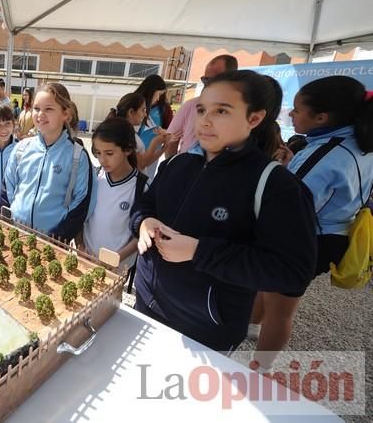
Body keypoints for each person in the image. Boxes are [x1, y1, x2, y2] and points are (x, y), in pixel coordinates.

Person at [133, 70, 317, 353]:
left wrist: (199, 251)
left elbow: (291, 271)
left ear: (254, 118)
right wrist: (145, 222)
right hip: (147, 303)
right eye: (202, 109)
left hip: (205, 327)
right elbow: (145, 205)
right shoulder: (178, 164)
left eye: (222, 111)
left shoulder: (274, 184)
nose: (205, 121)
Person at [250, 76, 373, 369]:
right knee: (268, 287)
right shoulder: (357, 144)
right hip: (333, 233)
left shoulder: (326, 153)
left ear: (321, 117)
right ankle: (250, 327)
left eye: (296, 110)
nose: (291, 115)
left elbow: (290, 206)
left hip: (308, 237)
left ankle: (258, 369)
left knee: (281, 310)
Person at [5, 83, 96, 242]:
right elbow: (7, 187)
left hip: (51, 242)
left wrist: (58, 237)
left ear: (66, 114)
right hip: (15, 233)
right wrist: (11, 220)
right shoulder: (21, 148)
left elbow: (82, 202)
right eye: (36, 108)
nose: (40, 114)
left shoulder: (77, 156)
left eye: (49, 109)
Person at [81, 117, 147, 271]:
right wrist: (80, 246)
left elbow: (142, 235)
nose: (102, 159)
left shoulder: (141, 187)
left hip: (116, 269)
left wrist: (115, 258)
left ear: (128, 149)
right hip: (86, 259)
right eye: (98, 153)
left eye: (109, 153)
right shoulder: (94, 177)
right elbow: (81, 216)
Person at [165, 54, 239, 157]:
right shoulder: (190, 105)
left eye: (214, 80)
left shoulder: (239, 111)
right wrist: (173, 166)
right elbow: (172, 139)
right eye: (205, 79)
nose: (208, 84)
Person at [108, 92, 177, 176]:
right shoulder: (125, 134)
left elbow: (145, 161)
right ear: (131, 112)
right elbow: (141, 164)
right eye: (143, 110)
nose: (145, 115)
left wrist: (164, 147)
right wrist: (155, 142)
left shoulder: (124, 131)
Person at [134, 74, 172, 179]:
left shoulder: (163, 108)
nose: (159, 98)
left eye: (161, 94)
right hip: (133, 152)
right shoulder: (133, 102)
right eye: (158, 94)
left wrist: (164, 132)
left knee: (144, 181)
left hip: (152, 155)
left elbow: (172, 130)